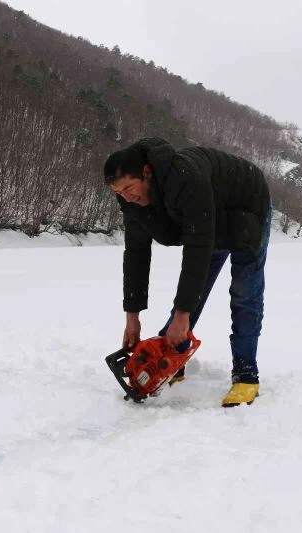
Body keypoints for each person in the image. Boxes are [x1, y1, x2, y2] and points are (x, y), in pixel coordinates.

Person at [104, 137, 271, 407]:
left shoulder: (185, 179)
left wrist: (183, 315)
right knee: (195, 290)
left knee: (244, 293)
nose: (126, 197)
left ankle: (246, 374)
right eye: (119, 192)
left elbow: (197, 250)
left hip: (247, 206)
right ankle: (172, 354)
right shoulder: (131, 201)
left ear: (146, 173)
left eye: (129, 188)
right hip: (210, 216)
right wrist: (132, 316)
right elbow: (136, 254)